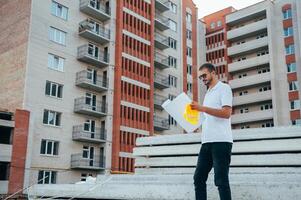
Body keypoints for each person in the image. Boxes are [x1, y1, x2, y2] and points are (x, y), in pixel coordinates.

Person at [190, 63, 233, 200]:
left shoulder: (224, 88)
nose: (202, 78)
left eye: (204, 75)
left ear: (213, 73)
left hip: (221, 141)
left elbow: (226, 113)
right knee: (198, 178)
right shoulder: (208, 93)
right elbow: (208, 116)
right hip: (206, 142)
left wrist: (202, 108)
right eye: (200, 76)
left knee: (221, 181)